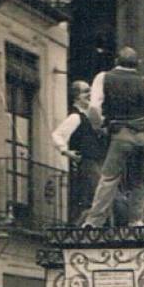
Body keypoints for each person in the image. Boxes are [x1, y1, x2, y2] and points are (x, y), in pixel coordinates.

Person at [83, 47, 144, 227]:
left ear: (116, 62)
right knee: (139, 181)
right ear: (137, 65)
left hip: (120, 135)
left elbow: (93, 108)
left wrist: (99, 126)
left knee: (109, 178)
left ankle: (94, 221)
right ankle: (136, 220)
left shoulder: (103, 77)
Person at [51, 81, 111, 224]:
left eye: (90, 90)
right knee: (95, 198)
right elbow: (57, 135)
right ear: (76, 97)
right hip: (88, 163)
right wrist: (66, 151)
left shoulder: (92, 117)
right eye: (85, 91)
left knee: (99, 199)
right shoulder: (75, 117)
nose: (90, 94)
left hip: (98, 163)